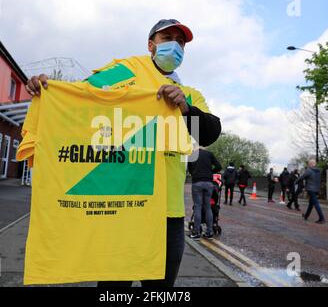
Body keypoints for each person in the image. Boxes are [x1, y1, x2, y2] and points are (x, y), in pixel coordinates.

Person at [24, 19, 222, 287]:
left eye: (181, 41)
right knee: (114, 290)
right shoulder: (127, 71)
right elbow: (82, 94)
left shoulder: (189, 94)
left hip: (167, 212)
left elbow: (208, 133)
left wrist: (185, 109)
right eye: (168, 38)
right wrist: (48, 89)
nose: (175, 45)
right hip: (123, 205)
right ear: (151, 45)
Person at [188, 148, 222, 240]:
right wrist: (210, 172)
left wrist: (195, 174)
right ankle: (209, 232)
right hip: (208, 183)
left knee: (198, 206)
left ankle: (196, 233)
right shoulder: (209, 154)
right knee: (208, 207)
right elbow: (219, 166)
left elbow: (189, 169)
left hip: (197, 183)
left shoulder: (192, 154)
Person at [295, 160, 326, 224]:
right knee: (311, 203)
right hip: (316, 189)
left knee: (316, 203)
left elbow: (301, 177)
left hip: (311, 189)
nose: (308, 165)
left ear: (311, 164)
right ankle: (306, 216)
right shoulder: (319, 171)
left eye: (309, 164)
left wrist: (295, 182)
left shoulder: (309, 170)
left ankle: (322, 218)